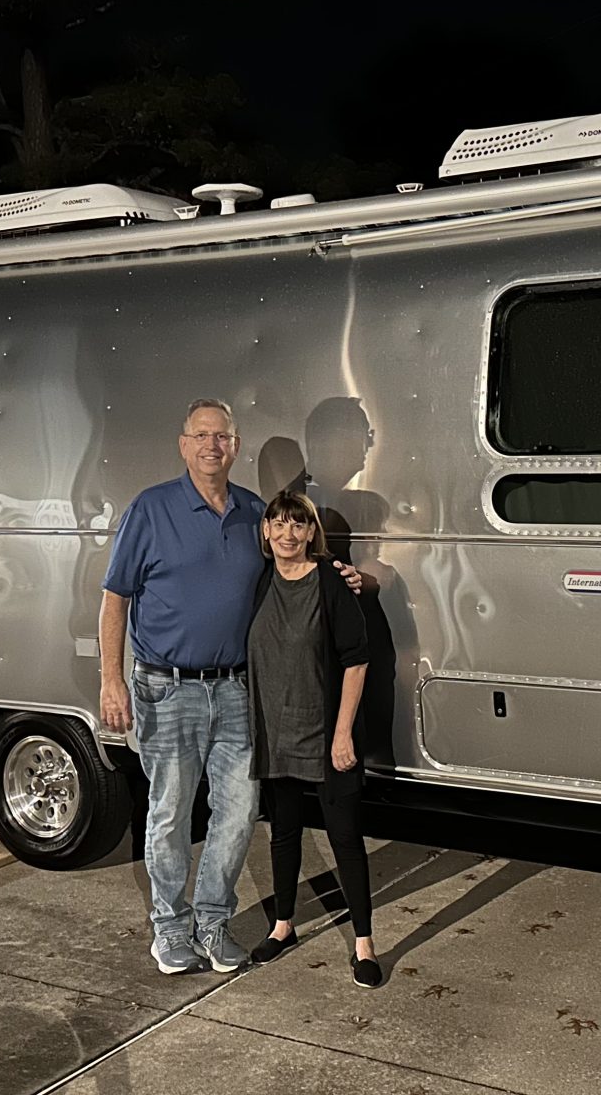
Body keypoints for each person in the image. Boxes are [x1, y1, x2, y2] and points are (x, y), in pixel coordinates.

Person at [99, 399, 361, 976]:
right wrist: (111, 680)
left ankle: (213, 923)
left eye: (221, 436)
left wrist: (344, 575)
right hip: (167, 689)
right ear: (183, 444)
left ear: (235, 446)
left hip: (239, 690)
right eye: (201, 435)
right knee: (170, 814)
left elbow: (292, 569)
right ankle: (171, 929)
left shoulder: (253, 513)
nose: (211, 445)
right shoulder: (151, 508)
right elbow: (115, 598)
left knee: (239, 813)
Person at [244, 489, 381, 988]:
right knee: (283, 832)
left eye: (298, 525)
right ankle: (283, 925)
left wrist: (343, 734)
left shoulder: (330, 582)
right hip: (275, 731)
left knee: (344, 837)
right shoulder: (259, 580)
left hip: (325, 733)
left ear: (310, 534)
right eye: (278, 523)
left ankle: (364, 944)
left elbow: (356, 660)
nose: (288, 533)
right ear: (266, 531)